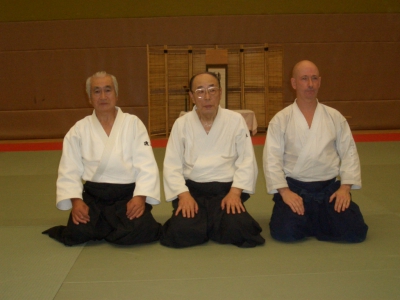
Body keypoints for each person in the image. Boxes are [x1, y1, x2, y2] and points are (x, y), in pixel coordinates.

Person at [42, 71, 161, 246]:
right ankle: (110, 227)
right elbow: (69, 169)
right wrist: (76, 201)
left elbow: (147, 164)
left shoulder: (133, 124)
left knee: (140, 230)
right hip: (94, 198)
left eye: (108, 90)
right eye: (97, 91)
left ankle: (108, 227)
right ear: (90, 98)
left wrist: (140, 197)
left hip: (126, 196)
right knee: (77, 233)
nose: (103, 96)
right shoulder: (78, 130)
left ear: (117, 95)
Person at [263, 60, 368, 243]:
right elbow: (271, 160)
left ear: (319, 81)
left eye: (313, 79)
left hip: (328, 190)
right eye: (304, 79)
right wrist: (285, 192)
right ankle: (317, 220)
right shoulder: (281, 120)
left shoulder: (335, 117)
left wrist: (344, 188)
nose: (310, 84)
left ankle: (314, 219)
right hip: (295, 190)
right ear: (294, 83)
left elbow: (349, 153)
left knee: (355, 231)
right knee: (285, 233)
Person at [160, 72, 265, 248]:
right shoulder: (182, 124)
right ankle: (208, 223)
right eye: (200, 91)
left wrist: (235, 193)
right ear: (192, 96)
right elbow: (172, 164)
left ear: (220, 93)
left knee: (242, 230)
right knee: (179, 232)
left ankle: (209, 223)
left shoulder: (235, 120)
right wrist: (183, 195)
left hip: (226, 191)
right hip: (192, 191)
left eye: (212, 90)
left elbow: (247, 160)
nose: (207, 97)